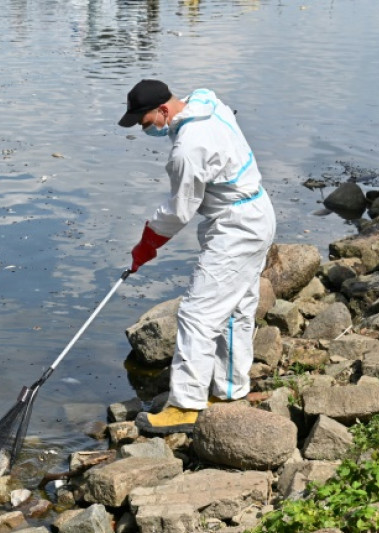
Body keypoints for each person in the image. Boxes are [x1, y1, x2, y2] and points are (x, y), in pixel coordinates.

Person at [118, 79, 276, 435]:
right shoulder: (205, 102)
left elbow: (178, 212)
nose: (147, 130)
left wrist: (145, 246)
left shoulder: (188, 149)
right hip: (257, 211)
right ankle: (229, 390)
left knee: (197, 313)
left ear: (163, 111)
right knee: (237, 310)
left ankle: (186, 405)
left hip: (236, 228)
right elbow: (202, 93)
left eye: (146, 123)